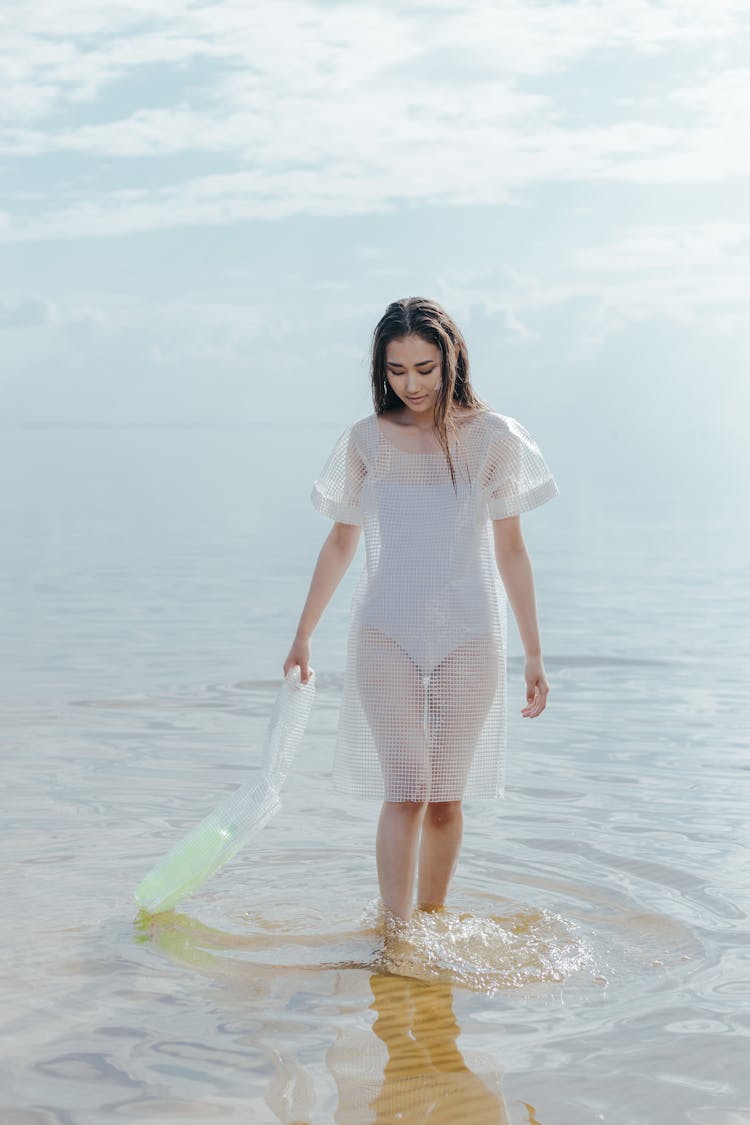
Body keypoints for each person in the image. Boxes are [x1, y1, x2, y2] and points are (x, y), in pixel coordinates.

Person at [283, 296, 559, 925]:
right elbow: (341, 541)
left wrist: (534, 653)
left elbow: (511, 550)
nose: (411, 384)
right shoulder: (364, 441)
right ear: (380, 368)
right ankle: (395, 934)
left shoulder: (494, 438)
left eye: (425, 368)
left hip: (470, 634)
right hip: (386, 631)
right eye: (397, 370)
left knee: (445, 800)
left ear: (451, 359)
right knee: (406, 790)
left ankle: (432, 923)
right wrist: (303, 636)